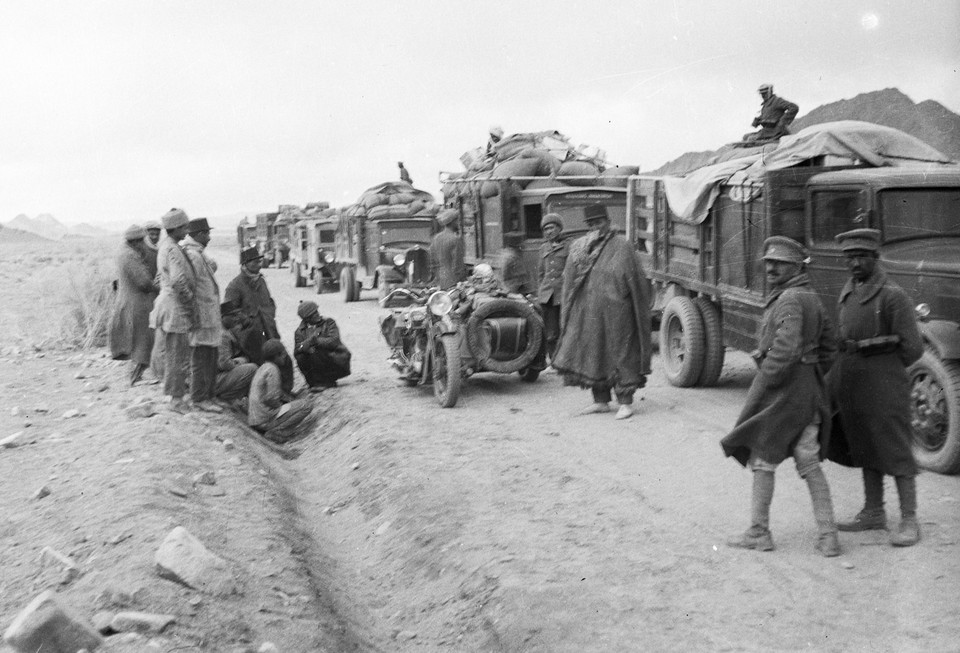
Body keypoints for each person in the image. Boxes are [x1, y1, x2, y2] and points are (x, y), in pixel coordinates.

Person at [721, 237, 840, 557]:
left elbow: (786, 349)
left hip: (784, 393)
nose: (771, 267)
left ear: (798, 266)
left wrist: (768, 376)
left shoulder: (788, 299)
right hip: (809, 391)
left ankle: (759, 532)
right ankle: (829, 536)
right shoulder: (810, 297)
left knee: (763, 457)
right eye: (769, 262)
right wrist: (809, 367)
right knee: (809, 460)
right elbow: (830, 347)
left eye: (780, 263)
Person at [826, 228, 924, 547]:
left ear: (875, 257)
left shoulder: (893, 296)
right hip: (853, 381)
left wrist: (882, 362)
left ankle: (909, 518)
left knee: (894, 448)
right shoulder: (850, 290)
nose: (855, 263)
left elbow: (913, 348)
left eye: (861, 257)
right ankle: (873, 512)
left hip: (884, 382)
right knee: (864, 444)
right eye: (849, 258)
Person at [552, 204, 652, 420]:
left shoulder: (622, 246)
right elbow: (568, 281)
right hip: (589, 313)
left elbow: (637, 283)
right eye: (591, 224)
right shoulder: (581, 247)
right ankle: (601, 401)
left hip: (618, 313)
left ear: (608, 221)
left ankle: (625, 402)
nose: (596, 227)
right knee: (594, 352)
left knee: (620, 353)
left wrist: (638, 308)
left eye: (599, 222)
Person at [149, 208, 196, 413]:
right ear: (175, 228)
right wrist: (190, 302)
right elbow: (178, 281)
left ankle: (175, 395)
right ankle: (176, 400)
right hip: (174, 307)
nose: (187, 230)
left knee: (174, 354)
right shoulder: (171, 249)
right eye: (184, 227)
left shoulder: (167, 246)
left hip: (169, 304)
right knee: (177, 355)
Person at [108, 224, 160, 385]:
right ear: (136, 241)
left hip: (133, 302)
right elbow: (144, 282)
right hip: (138, 304)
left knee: (140, 340)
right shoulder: (129, 256)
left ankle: (138, 375)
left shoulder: (125, 252)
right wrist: (160, 287)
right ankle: (135, 377)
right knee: (143, 340)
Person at [182, 218, 223, 413]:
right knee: (200, 359)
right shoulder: (193, 255)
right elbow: (190, 286)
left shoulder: (198, 254)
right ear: (198, 235)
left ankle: (209, 396)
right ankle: (199, 398)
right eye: (206, 233)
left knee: (210, 357)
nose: (209, 237)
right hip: (201, 316)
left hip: (208, 316)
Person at [248, 339, 315, 443]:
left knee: (293, 404)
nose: (285, 356)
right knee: (306, 405)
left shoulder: (263, 368)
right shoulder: (273, 369)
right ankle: (278, 431)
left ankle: (276, 428)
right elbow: (271, 398)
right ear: (276, 356)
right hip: (265, 420)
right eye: (282, 354)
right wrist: (281, 407)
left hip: (255, 419)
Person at [225, 246, 281, 365]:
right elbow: (228, 313)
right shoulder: (234, 285)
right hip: (249, 336)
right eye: (255, 262)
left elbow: (269, 302)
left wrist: (270, 314)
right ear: (245, 264)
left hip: (269, 330)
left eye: (260, 261)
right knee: (257, 363)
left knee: (278, 359)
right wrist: (246, 323)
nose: (259, 265)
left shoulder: (261, 281)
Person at [293, 301, 351, 390]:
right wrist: (305, 346)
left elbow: (334, 341)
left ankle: (328, 382)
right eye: (313, 314)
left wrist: (316, 341)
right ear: (306, 319)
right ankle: (313, 383)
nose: (317, 315)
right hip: (314, 361)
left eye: (316, 312)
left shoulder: (328, 322)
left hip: (334, 359)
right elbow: (297, 349)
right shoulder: (300, 331)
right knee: (301, 356)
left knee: (316, 351)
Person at [536, 213, 568, 361]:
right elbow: (541, 274)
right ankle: (554, 361)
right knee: (550, 332)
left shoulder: (570, 245)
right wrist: (541, 293)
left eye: (552, 228)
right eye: (546, 229)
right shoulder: (543, 248)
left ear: (559, 228)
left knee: (565, 329)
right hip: (547, 296)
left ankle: (567, 361)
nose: (549, 232)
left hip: (564, 295)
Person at [215, 300, 258, 402]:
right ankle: (227, 397)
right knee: (252, 369)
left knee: (245, 362)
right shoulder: (222, 334)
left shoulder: (223, 330)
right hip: (214, 378)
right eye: (232, 315)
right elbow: (224, 364)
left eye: (237, 315)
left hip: (212, 376)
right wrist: (239, 363)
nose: (236, 318)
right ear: (222, 317)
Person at [429, 209, 465, 290]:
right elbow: (458, 266)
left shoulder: (436, 238)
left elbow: (432, 262)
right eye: (457, 220)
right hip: (453, 282)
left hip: (440, 280)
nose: (459, 223)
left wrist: (437, 277)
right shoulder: (455, 239)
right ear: (452, 222)